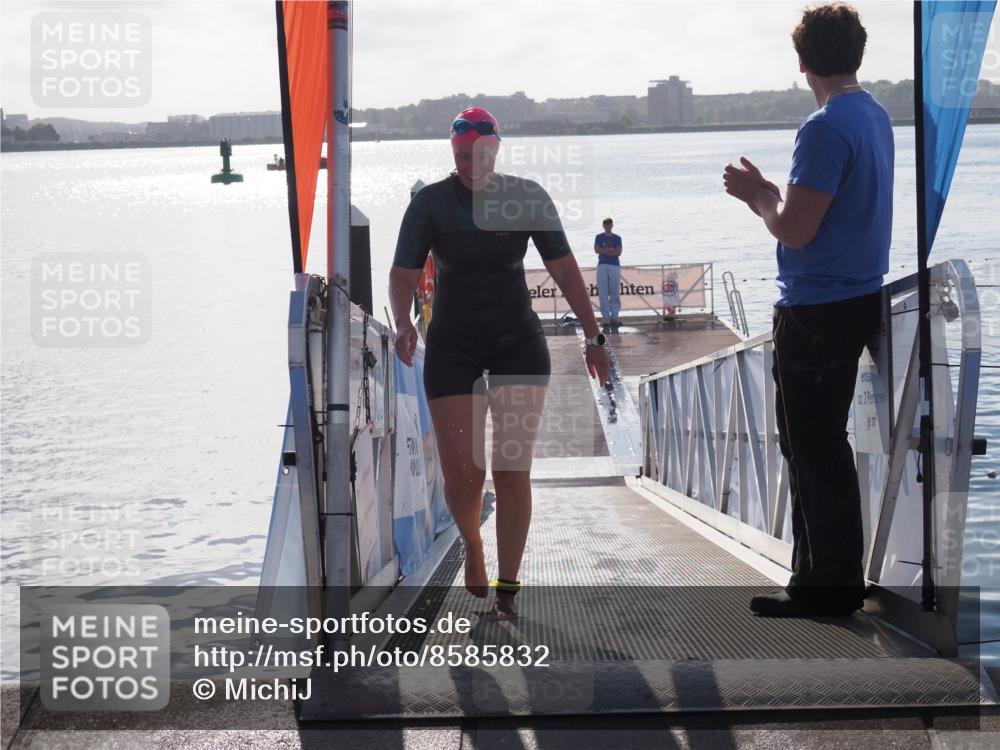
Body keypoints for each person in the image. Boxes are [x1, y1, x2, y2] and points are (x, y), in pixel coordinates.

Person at [389, 107, 610, 618]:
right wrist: (403, 324)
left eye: (481, 154)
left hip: (517, 344)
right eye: (462, 156)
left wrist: (594, 335)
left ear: (498, 149)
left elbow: (567, 273)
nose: (471, 164)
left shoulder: (525, 196)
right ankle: (472, 542)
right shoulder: (431, 205)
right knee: (463, 475)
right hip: (452, 346)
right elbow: (402, 277)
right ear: (452, 153)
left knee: (512, 470)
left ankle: (508, 590)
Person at [722, 2, 893, 617]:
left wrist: (758, 199)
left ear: (802, 63)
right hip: (858, 296)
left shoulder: (823, 128)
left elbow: (794, 232)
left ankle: (827, 587)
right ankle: (828, 577)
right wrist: (774, 197)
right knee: (823, 444)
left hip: (817, 309)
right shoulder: (874, 114)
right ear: (857, 53)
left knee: (811, 446)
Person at [594, 218, 623, 325]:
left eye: (609, 224)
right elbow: (597, 250)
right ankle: (605, 317)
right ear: (603, 225)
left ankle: (615, 316)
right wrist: (610, 250)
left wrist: (605, 250)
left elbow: (618, 252)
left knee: (615, 291)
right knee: (603, 291)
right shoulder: (599, 237)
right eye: (605, 224)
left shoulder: (617, 238)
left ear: (612, 225)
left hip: (614, 266)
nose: (607, 226)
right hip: (602, 265)